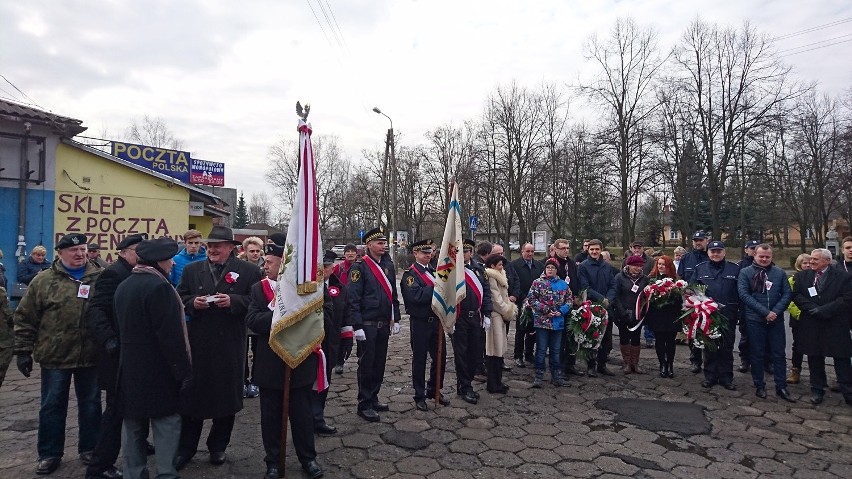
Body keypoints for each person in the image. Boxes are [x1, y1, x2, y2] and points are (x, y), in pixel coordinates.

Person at [13, 233, 103, 475]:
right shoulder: (43, 281)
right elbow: (25, 318)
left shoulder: (100, 278)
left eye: (83, 249)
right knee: (52, 406)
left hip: (91, 354)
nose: (79, 254)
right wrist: (22, 350)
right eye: (73, 250)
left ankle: (90, 448)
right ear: (60, 253)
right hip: (55, 355)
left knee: (92, 405)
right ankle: (50, 453)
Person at [174, 226, 263, 470]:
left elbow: (257, 303)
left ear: (231, 248)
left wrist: (233, 301)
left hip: (229, 343)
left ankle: (218, 446)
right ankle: (186, 448)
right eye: (209, 245)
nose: (211, 249)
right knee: (192, 397)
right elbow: (179, 298)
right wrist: (193, 302)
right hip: (199, 342)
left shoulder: (249, 271)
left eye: (217, 245)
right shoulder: (193, 270)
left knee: (226, 398)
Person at [113, 237, 193, 479]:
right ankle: (166, 473)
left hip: (129, 367)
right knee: (166, 422)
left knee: (133, 424)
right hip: (158, 369)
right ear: (159, 262)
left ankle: (133, 473)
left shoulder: (125, 285)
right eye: (168, 260)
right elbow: (170, 336)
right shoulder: (159, 287)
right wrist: (182, 370)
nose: (171, 264)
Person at [245, 243, 323, 479]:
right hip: (269, 364)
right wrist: (280, 315)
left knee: (302, 416)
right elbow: (253, 320)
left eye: (269, 262)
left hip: (299, 360)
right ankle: (273, 461)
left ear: (284, 264)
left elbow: (316, 319)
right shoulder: (258, 290)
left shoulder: (305, 290)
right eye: (265, 261)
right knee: (270, 417)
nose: (264, 265)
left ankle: (308, 458)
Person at [85, 233, 148, 479]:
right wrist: (110, 340)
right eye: (137, 250)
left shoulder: (138, 273)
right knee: (115, 411)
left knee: (133, 406)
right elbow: (96, 311)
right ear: (123, 252)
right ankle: (100, 465)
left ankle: (137, 446)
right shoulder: (113, 274)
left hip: (133, 354)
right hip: (117, 356)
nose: (141, 255)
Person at [347, 227, 401, 422]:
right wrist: (357, 325)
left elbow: (392, 294)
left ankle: (374, 397)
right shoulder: (359, 267)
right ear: (369, 245)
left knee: (379, 364)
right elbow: (353, 298)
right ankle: (364, 403)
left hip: (383, 324)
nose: (383, 246)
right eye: (379, 243)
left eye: (384, 242)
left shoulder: (388, 266)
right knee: (367, 365)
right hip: (367, 325)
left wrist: (396, 318)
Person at [792, 248, 852, 406]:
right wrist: (812, 308)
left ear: (827, 261)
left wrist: (825, 310)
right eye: (810, 259)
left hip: (835, 323)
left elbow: (846, 298)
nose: (811, 262)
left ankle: (848, 391)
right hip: (812, 323)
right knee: (814, 358)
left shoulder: (843, 277)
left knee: (842, 359)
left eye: (815, 260)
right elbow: (797, 295)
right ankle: (817, 389)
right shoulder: (802, 276)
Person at [737, 244, 794, 402]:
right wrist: (765, 312)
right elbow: (744, 294)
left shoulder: (779, 273)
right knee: (757, 353)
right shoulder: (745, 272)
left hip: (775, 319)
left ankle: (781, 386)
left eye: (767, 257)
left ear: (771, 257)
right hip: (755, 319)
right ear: (754, 255)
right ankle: (759, 385)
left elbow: (787, 293)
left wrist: (775, 312)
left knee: (779, 354)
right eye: (761, 256)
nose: (764, 259)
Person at [400, 240, 450, 411]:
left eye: (429, 253)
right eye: (423, 253)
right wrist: (436, 287)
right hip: (420, 322)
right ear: (415, 254)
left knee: (440, 357)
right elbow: (416, 297)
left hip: (436, 321)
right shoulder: (410, 275)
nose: (428, 255)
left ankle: (435, 389)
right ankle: (419, 394)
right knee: (420, 359)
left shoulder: (435, 272)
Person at [693, 240, 740, 391]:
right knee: (710, 347)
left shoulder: (734, 269)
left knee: (726, 348)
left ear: (724, 252)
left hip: (728, 315)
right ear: (708, 253)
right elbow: (692, 290)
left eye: (719, 251)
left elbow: (740, 292)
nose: (716, 254)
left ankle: (727, 378)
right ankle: (710, 376)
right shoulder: (700, 269)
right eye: (713, 251)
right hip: (708, 316)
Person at [451, 239, 493, 404]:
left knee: (475, 354)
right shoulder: (452, 270)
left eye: (468, 251)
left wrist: (487, 313)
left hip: (476, 317)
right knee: (461, 354)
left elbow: (486, 292)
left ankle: (466, 383)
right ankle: (465, 386)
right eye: (462, 251)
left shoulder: (479, 269)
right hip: (459, 318)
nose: (466, 254)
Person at [314, 250, 350, 433]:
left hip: (331, 342)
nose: (323, 271)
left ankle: (318, 417)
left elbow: (345, 315)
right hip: (311, 343)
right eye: (320, 267)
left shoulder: (340, 288)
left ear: (332, 268)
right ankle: (308, 417)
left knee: (325, 380)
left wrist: (347, 339)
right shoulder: (308, 286)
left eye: (326, 267)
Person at [527, 257, 572, 387]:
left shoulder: (563, 284)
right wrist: (545, 309)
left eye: (553, 268)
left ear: (557, 270)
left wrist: (561, 311)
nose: (550, 270)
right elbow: (531, 299)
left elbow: (569, 300)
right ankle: (539, 375)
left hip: (557, 322)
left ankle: (556, 376)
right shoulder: (537, 283)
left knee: (556, 350)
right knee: (541, 349)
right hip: (542, 322)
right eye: (548, 267)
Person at [578, 239, 617, 377]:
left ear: (601, 250)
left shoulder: (607, 266)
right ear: (588, 250)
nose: (594, 252)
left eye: (597, 249)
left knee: (606, 337)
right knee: (592, 337)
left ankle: (602, 364)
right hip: (592, 307)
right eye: (592, 249)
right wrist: (601, 299)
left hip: (607, 307)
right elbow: (585, 287)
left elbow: (613, 285)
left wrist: (609, 299)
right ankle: (590, 366)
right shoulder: (583, 266)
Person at [677, 231, 710, 373]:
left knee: (709, 332)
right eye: (695, 240)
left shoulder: (711, 256)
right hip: (691, 302)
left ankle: (709, 361)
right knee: (693, 332)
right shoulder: (686, 258)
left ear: (706, 241)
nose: (698, 242)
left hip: (709, 302)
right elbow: (680, 277)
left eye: (701, 240)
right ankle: (695, 360)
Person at [645, 255, 683, 378]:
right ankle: (662, 364)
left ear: (669, 266)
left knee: (670, 341)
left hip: (671, 314)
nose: (661, 266)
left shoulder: (675, 281)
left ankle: (670, 365)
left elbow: (679, 300)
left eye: (663, 264)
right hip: (658, 315)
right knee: (660, 340)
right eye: (659, 264)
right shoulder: (651, 279)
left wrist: (672, 293)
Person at [484, 254, 517, 393]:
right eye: (499, 265)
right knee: (494, 350)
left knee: (499, 350)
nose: (502, 267)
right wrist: (507, 310)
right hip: (495, 316)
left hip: (500, 316)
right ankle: (493, 384)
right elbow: (496, 299)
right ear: (492, 266)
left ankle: (498, 381)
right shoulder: (491, 277)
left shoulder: (500, 274)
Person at [551, 238, 583, 377]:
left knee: (572, 336)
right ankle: (559, 366)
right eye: (563, 248)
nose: (566, 251)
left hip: (572, 304)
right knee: (560, 339)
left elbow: (575, 280)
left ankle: (570, 364)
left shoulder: (571, 263)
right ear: (556, 249)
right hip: (558, 305)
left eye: (568, 248)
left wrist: (577, 296)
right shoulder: (552, 263)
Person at [613, 255, 649, 374]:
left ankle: (635, 363)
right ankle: (626, 363)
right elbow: (616, 296)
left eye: (640, 266)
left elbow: (646, 296)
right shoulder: (619, 278)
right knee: (624, 337)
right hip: (622, 312)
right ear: (628, 266)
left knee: (636, 337)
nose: (638, 268)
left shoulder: (644, 279)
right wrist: (622, 311)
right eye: (635, 266)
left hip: (638, 313)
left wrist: (642, 311)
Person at [510, 243, 544, 368]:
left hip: (535, 302)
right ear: (522, 251)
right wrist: (523, 297)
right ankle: (518, 355)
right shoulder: (515, 265)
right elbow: (514, 283)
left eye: (532, 251)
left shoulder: (539, 265)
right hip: (521, 301)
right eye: (527, 251)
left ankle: (529, 354)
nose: (530, 254)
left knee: (532, 330)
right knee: (521, 330)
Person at [240, 236, 265, 399]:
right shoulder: (239, 266)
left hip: (259, 314)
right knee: (242, 350)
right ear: (245, 251)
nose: (255, 254)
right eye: (252, 251)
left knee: (258, 350)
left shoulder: (266, 266)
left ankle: (256, 381)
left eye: (257, 251)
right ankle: (242, 380)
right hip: (242, 313)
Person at [736, 239, 760, 374]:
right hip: (745, 306)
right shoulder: (740, 266)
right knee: (745, 337)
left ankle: (766, 361)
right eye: (752, 248)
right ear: (746, 250)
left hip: (762, 306)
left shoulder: (767, 264)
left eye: (756, 248)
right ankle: (745, 361)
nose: (754, 250)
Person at [785, 253, 811, 385]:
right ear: (799, 265)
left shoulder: (816, 278)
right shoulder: (792, 280)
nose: (807, 265)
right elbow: (789, 300)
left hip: (814, 317)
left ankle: (817, 372)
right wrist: (800, 313)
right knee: (798, 345)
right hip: (798, 317)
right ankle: (796, 370)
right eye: (804, 263)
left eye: (809, 263)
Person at [333, 244, 358, 375]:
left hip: (356, 305)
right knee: (342, 334)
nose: (350, 254)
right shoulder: (339, 268)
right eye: (347, 251)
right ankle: (339, 361)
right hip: (342, 305)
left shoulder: (360, 267)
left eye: (352, 251)